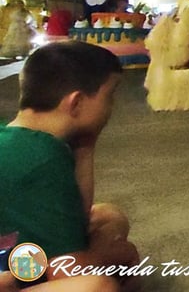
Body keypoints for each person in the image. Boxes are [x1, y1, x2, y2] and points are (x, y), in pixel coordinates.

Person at [0, 42, 139, 290]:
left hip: (15, 251)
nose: (113, 107)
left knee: (110, 216)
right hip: (13, 269)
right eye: (109, 96)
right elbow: (65, 270)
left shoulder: (23, 139)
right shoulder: (41, 160)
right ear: (75, 103)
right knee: (99, 286)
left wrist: (86, 148)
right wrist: (115, 254)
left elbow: (77, 221)